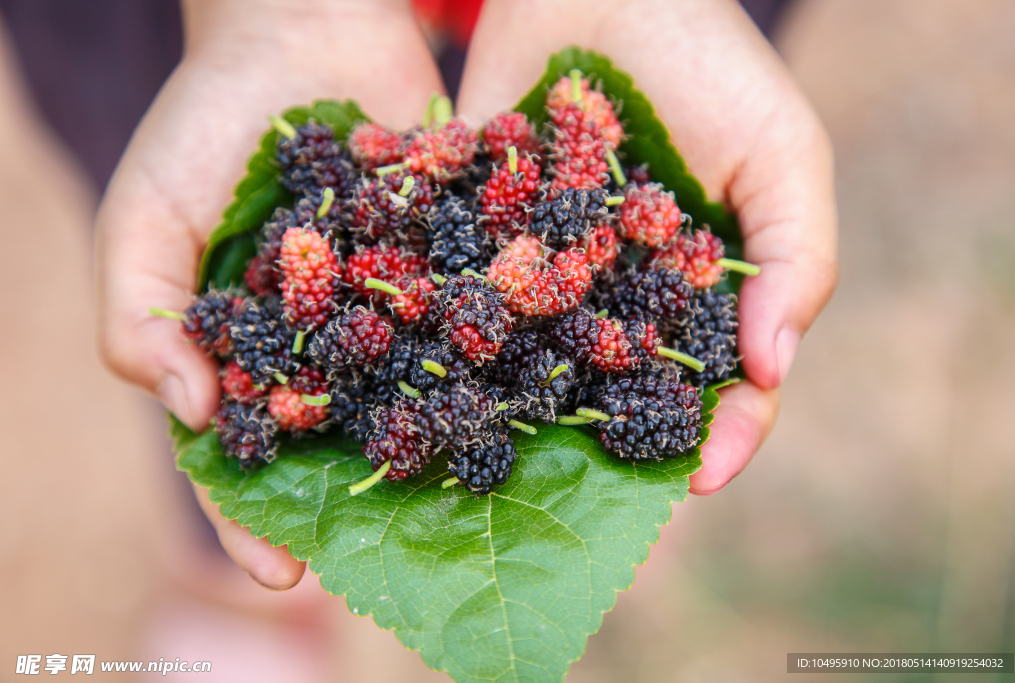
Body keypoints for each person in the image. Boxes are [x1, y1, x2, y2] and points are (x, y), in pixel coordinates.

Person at [96, 0, 837, 590]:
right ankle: (228, 592)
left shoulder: (566, 262)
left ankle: (608, 528)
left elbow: (556, 292)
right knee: (224, 416)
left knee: (608, 417)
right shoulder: (393, 274)